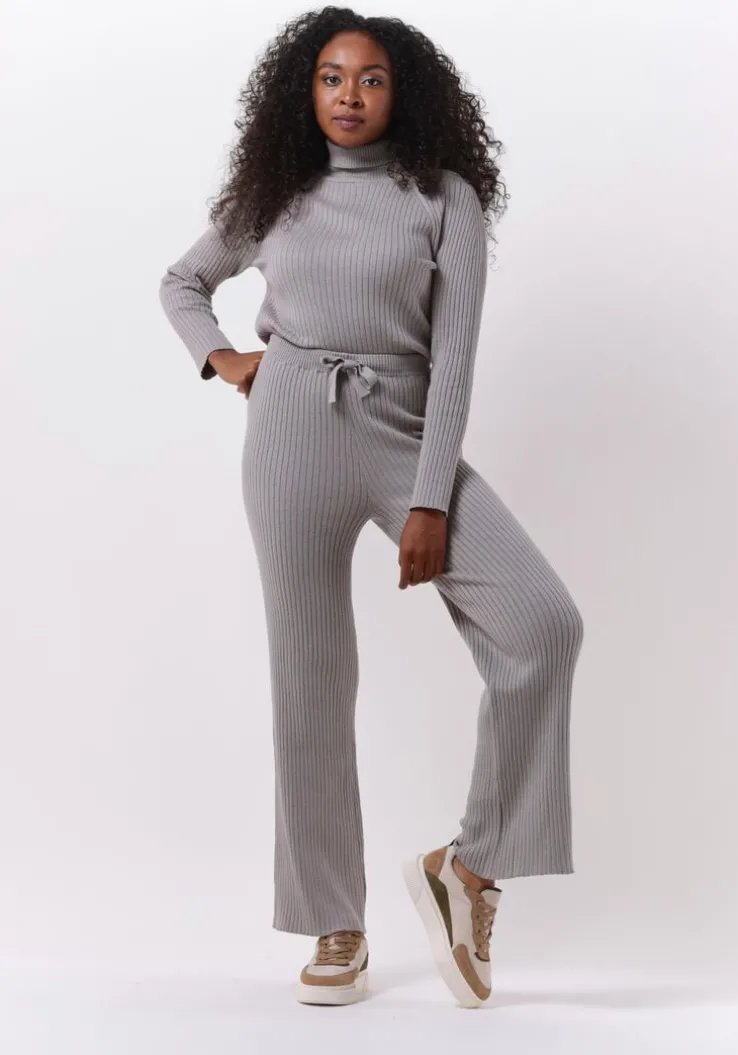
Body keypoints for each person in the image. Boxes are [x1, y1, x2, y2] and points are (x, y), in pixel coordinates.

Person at [159, 7, 584, 1010]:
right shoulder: (277, 191)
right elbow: (184, 282)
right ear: (304, 90)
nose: (349, 94)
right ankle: (332, 921)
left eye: (372, 79)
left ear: (405, 93)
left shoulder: (444, 197)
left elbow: (455, 358)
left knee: (542, 623)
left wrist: (430, 498)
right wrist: (226, 359)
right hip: (291, 431)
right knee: (310, 681)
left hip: (403, 428)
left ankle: (469, 866)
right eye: (331, 77)